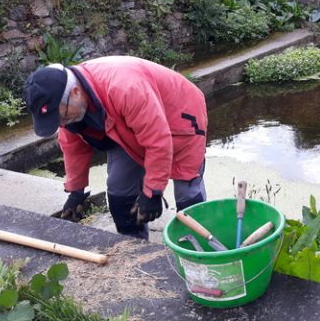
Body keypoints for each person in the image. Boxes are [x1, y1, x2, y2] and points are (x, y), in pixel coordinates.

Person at [23, 56, 208, 240]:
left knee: (187, 192)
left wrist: (153, 192)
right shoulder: (69, 111)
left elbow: (157, 141)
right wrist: (76, 192)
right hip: (126, 124)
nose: (61, 123)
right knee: (119, 189)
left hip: (180, 116)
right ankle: (132, 245)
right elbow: (73, 148)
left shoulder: (125, 88)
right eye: (57, 120)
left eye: (61, 115)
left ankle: (198, 251)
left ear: (76, 92)